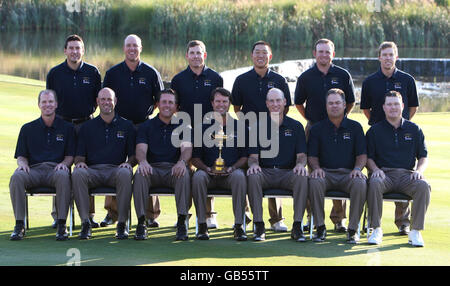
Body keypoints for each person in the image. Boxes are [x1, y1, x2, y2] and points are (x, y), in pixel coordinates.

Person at [294, 38, 356, 233]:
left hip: (338, 128)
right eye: (320, 51)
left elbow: (350, 102)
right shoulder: (305, 77)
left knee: (339, 168)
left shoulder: (342, 74)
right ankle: (311, 216)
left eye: (327, 52)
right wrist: (314, 121)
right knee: (312, 173)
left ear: (333, 54)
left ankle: (339, 219)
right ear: (315, 53)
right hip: (313, 128)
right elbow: (298, 104)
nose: (324, 55)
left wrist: (338, 119)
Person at [103, 34, 164, 228]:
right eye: (128, 46)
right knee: (116, 164)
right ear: (124, 48)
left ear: (141, 48)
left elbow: (159, 100)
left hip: (144, 125)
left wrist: (145, 114)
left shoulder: (151, 72)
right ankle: (112, 213)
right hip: (118, 126)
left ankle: (150, 214)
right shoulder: (113, 73)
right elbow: (105, 100)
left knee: (148, 165)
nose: (132, 49)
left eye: (135, 46)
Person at [360, 41, 420, 235]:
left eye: (391, 55)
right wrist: (380, 126)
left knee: (403, 169)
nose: (387, 58)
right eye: (384, 55)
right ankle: (373, 223)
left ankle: (403, 222)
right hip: (377, 135)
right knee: (376, 176)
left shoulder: (407, 79)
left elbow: (412, 107)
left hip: (401, 132)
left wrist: (401, 126)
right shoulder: (370, 81)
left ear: (396, 56)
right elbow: (365, 109)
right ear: (379, 57)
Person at [232, 40, 291, 232]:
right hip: (248, 132)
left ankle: (276, 219)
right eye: (257, 52)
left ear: (270, 56)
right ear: (252, 55)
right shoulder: (241, 80)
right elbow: (237, 108)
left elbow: (286, 106)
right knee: (251, 171)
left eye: (264, 53)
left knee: (273, 168)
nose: (260, 56)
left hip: (272, 133)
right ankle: (246, 214)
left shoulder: (280, 80)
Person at [46, 34, 101, 228]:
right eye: (71, 48)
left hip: (86, 125)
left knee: (87, 167)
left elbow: (99, 101)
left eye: (78, 48)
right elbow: (50, 103)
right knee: (60, 166)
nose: (75, 51)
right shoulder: (54, 73)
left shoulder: (93, 72)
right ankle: (58, 215)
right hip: (61, 125)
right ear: (65, 50)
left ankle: (89, 215)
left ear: (83, 50)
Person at [366, 91, 430, 247]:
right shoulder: (374, 130)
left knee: (423, 186)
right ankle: (376, 229)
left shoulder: (414, 129)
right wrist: (375, 170)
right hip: (384, 175)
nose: (392, 107)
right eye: (389, 104)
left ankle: (415, 231)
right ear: (383, 107)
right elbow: (368, 157)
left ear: (402, 106)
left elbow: (423, 156)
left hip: (407, 176)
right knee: (373, 183)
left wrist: (419, 171)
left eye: (396, 104)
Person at [10, 90, 75, 241]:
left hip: (55, 169)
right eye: (44, 102)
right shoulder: (27, 128)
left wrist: (64, 164)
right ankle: (19, 225)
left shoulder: (67, 128)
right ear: (39, 104)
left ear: (56, 104)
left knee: (63, 175)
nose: (47, 105)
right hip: (34, 171)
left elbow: (70, 155)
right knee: (17, 177)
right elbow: (21, 155)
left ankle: (61, 225)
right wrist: (22, 164)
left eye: (51, 102)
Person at [171, 40, 223, 229]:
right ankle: (183, 215)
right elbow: (174, 107)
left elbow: (220, 104)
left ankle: (209, 214)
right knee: (185, 170)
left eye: (198, 53)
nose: (195, 56)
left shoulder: (216, 78)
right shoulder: (178, 79)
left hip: (209, 130)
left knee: (208, 169)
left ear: (204, 55)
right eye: (192, 53)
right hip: (185, 131)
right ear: (187, 56)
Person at [72, 88, 136, 240]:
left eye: (109, 99)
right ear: (97, 102)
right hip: (93, 171)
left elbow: (133, 155)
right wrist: (80, 163)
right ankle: (85, 223)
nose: (106, 102)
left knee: (126, 173)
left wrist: (129, 163)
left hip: (116, 170)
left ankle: (122, 224)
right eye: (103, 99)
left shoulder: (126, 126)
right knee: (78, 172)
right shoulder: (87, 127)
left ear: (115, 101)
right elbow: (79, 156)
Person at [247, 88, 308, 241]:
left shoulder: (296, 126)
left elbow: (301, 156)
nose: (275, 104)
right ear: (267, 104)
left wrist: (300, 165)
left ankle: (297, 226)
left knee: (302, 177)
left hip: (288, 173)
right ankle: (259, 225)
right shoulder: (257, 126)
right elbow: (253, 157)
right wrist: (253, 165)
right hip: (265, 172)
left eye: (278, 100)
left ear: (285, 102)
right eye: (272, 101)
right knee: (253, 176)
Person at [308, 88, 367, 244]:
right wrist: (317, 169)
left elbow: (362, 155)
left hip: (349, 174)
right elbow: (312, 156)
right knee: (314, 181)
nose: (334, 106)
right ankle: (320, 228)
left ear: (344, 105)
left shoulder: (355, 127)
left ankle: (353, 230)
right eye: (331, 103)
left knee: (360, 183)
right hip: (325, 174)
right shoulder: (317, 129)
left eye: (337, 103)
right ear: (326, 105)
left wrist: (357, 169)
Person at [132, 89, 192, 241]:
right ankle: (141, 223)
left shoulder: (184, 126)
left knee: (184, 172)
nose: (167, 105)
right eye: (164, 102)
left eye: (171, 102)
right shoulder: (146, 126)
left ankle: (181, 222)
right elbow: (140, 148)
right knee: (139, 173)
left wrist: (182, 162)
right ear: (157, 105)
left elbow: (186, 149)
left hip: (173, 169)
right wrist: (143, 161)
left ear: (176, 106)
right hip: (153, 169)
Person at [191, 87, 248, 241]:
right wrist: (207, 168)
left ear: (229, 104)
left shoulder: (240, 127)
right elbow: (195, 158)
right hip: (208, 174)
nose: (221, 104)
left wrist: (232, 168)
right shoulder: (201, 128)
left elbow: (244, 157)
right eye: (218, 101)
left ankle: (239, 226)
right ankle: (202, 225)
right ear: (212, 103)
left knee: (239, 176)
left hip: (230, 174)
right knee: (198, 177)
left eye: (224, 101)